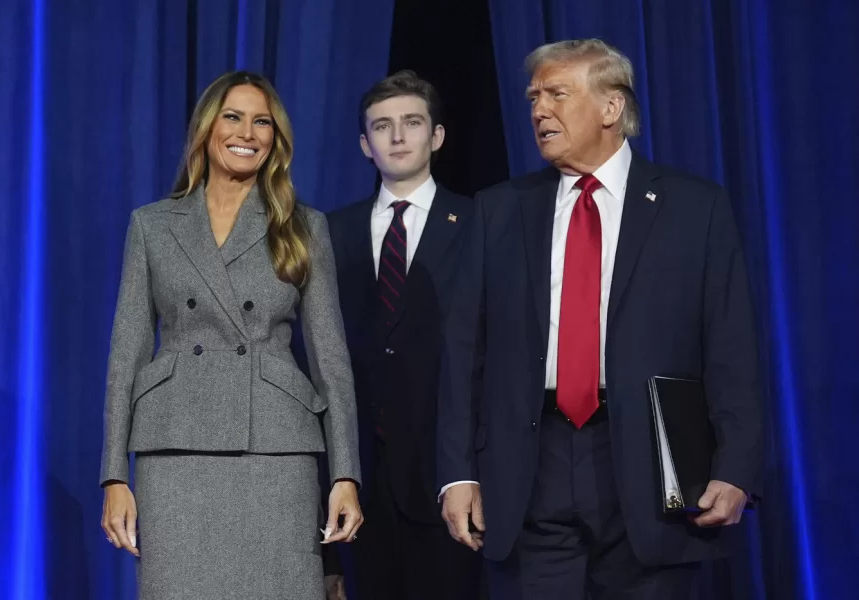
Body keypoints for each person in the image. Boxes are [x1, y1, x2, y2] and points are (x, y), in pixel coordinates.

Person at [438, 39, 762, 599]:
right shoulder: (499, 209)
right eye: (534, 97)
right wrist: (458, 472)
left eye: (557, 94)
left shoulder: (695, 207)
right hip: (530, 464)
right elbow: (465, 348)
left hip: (650, 467)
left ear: (612, 108)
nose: (539, 110)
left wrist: (736, 466)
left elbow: (730, 348)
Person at [99, 71, 363, 600]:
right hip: (174, 451)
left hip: (275, 449)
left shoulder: (302, 226)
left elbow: (331, 359)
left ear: (276, 138)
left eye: (262, 121)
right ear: (206, 128)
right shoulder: (152, 225)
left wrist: (346, 475)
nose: (248, 132)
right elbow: (126, 355)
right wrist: (113, 476)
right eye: (234, 117)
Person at [327, 70, 483, 599]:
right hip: (360, 484)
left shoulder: (481, 224)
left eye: (412, 123)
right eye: (382, 126)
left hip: (451, 479)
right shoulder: (327, 232)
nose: (397, 136)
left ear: (436, 136)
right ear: (364, 145)